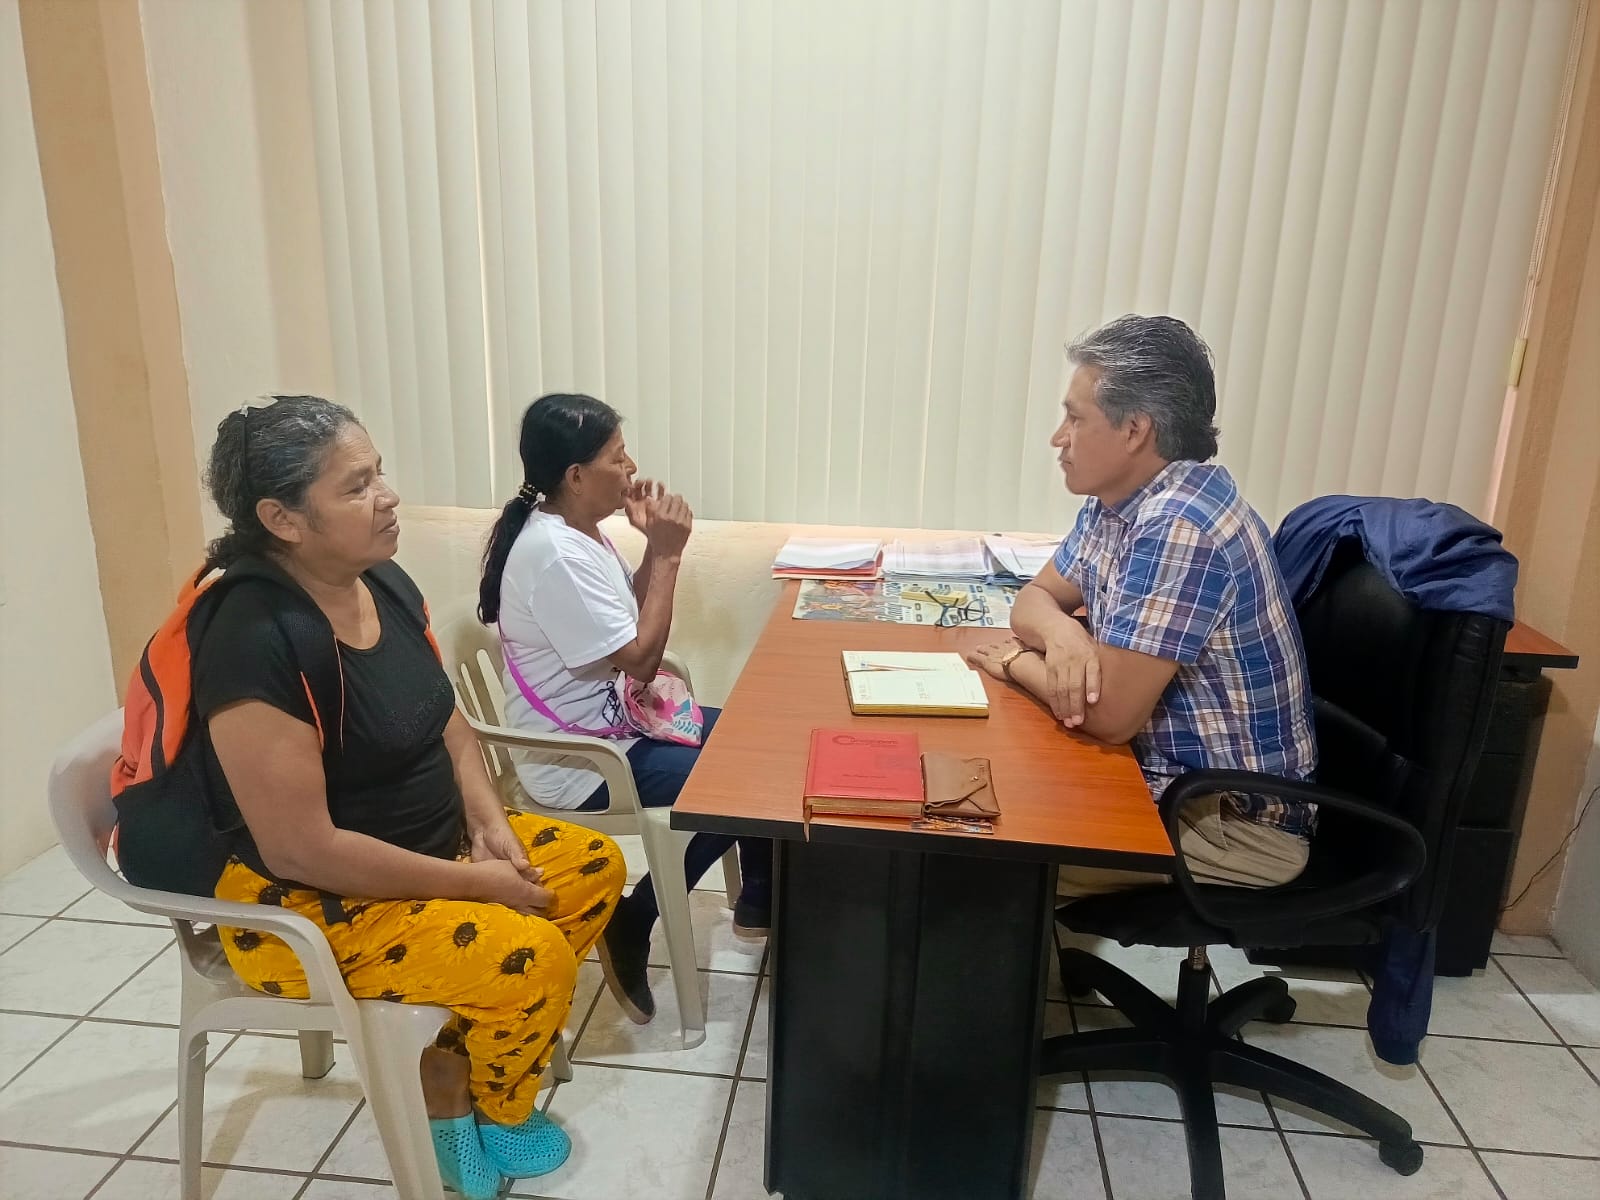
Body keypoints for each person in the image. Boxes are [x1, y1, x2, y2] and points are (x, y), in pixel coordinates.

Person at [194, 395, 623, 1200]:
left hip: (432, 849)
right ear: (283, 519)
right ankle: (472, 1103)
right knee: (529, 957)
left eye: (379, 473)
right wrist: (475, 884)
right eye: (357, 486)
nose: (388, 496)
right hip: (311, 907)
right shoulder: (252, 640)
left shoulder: (382, 581)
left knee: (592, 866)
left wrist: (487, 821)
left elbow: (445, 720)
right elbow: (301, 849)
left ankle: (453, 1065)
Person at [968, 315, 1318, 893]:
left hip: (1228, 824)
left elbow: (1107, 717)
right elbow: (1035, 598)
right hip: (1159, 778)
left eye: (1075, 418)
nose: (1059, 438)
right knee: (984, 802)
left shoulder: (1180, 526)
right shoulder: (1117, 502)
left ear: (1134, 430)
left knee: (978, 860)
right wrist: (1064, 635)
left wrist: (1014, 661)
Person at [479, 393, 773, 1025]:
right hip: (580, 761)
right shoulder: (556, 554)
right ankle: (635, 918)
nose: (631, 466)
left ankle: (761, 897)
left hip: (617, 725)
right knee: (743, 781)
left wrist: (649, 550)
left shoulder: (577, 534)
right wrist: (667, 554)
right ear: (575, 475)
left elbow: (625, 624)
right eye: (617, 456)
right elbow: (639, 658)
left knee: (758, 744)